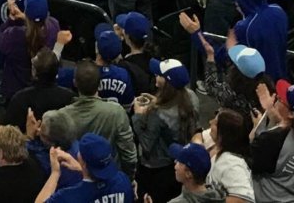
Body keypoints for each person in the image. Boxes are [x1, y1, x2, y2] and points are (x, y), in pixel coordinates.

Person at [132, 58, 200, 203]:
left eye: (160, 74)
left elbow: (146, 144)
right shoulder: (192, 97)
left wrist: (138, 116)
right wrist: (157, 102)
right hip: (179, 161)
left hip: (157, 168)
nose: (156, 75)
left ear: (167, 83)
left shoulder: (158, 114)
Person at [248, 81, 294, 203]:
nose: (276, 99)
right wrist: (271, 112)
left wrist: (257, 126)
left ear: (292, 114)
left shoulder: (271, 140)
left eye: (281, 100)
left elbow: (247, 163)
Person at [35, 132, 135, 203]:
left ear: (80, 159)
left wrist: (55, 173)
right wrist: (81, 168)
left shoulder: (68, 197)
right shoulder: (123, 181)